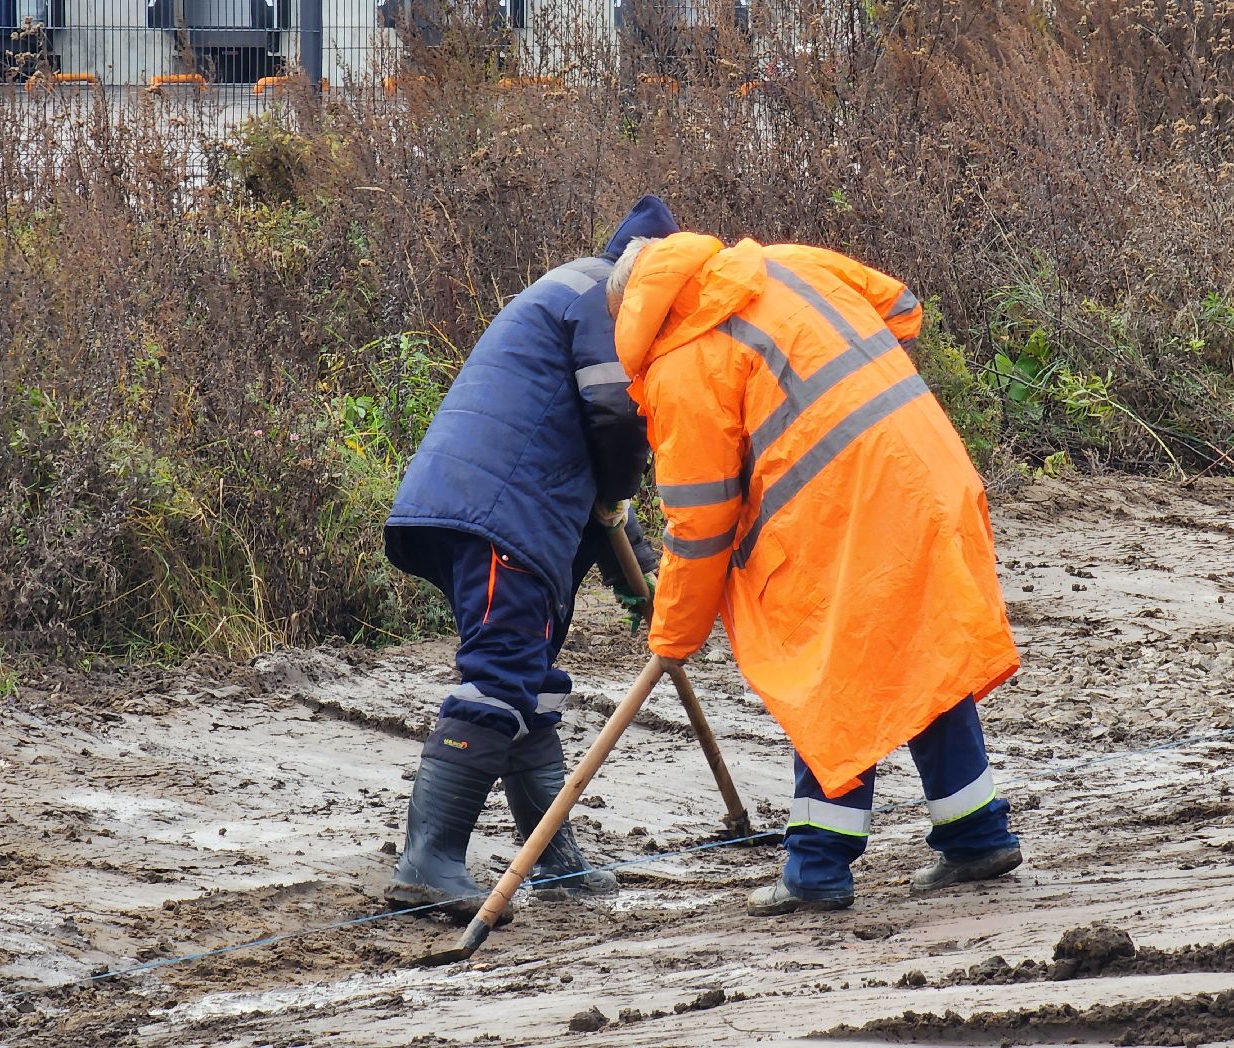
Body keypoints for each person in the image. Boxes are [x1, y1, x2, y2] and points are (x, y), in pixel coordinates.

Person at [606, 231, 1024, 915]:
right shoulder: (790, 263)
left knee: (822, 678)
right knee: (922, 649)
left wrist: (674, 633)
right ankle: (976, 833)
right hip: (928, 473)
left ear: (635, 313)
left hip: (848, 514)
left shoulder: (683, 364)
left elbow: (701, 522)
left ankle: (817, 866)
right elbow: (901, 308)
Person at [381, 196, 678, 920]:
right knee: (501, 677)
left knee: (532, 684)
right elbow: (613, 422)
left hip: (499, 508)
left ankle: (552, 858)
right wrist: (617, 502)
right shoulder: (605, 297)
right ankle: (428, 860)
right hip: (502, 516)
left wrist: (634, 569)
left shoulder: (575, 288)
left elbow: (600, 480)